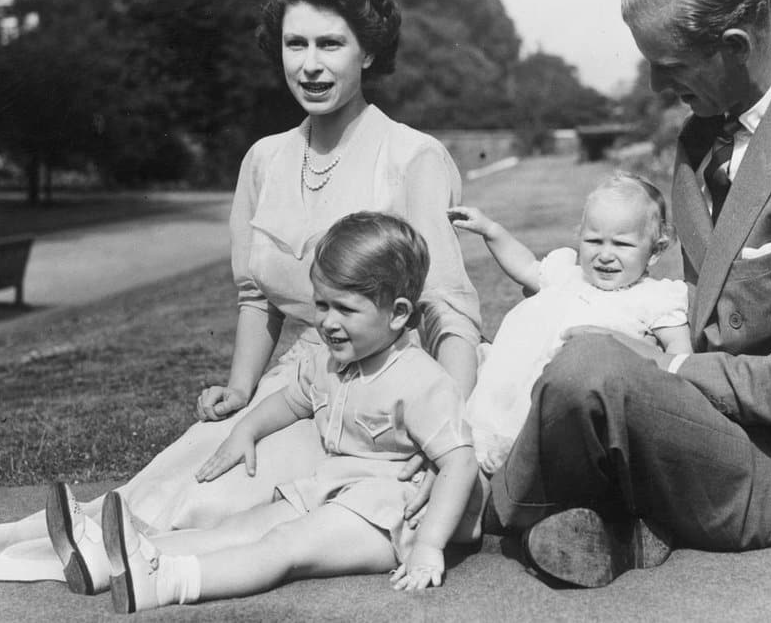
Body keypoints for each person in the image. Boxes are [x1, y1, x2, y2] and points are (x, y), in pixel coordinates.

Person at [0, 0, 481, 593]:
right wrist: (241, 392)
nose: (311, 65)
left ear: (369, 51)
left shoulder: (412, 156)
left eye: (331, 44)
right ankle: (108, 542)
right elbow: (254, 297)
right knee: (196, 458)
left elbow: (447, 311)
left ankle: (136, 559)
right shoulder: (264, 159)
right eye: (297, 45)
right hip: (297, 377)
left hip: (380, 393)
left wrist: (440, 440)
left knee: (224, 492)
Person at [483, 0, 771, 589]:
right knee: (566, 341)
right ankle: (619, 519)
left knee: (589, 366)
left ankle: (480, 510)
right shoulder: (709, 125)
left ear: (734, 47)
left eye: (669, 65)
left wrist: (666, 366)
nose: (655, 85)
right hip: (698, 416)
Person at [90, 212, 479, 613]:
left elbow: (460, 461)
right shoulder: (333, 362)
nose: (328, 322)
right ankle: (120, 561)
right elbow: (293, 400)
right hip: (332, 488)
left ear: (398, 313)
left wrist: (430, 545)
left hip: (389, 515)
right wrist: (248, 429)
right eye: (321, 304)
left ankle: (170, 582)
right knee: (244, 527)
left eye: (345, 309)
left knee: (284, 545)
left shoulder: (420, 380)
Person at [449, 174, 691, 474]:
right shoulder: (568, 274)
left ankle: (521, 460)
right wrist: (490, 230)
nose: (604, 254)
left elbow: (680, 356)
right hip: (516, 383)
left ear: (654, 251)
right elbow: (525, 266)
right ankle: (482, 453)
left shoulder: (655, 298)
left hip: (574, 403)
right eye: (593, 241)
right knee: (486, 403)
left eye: (621, 244)